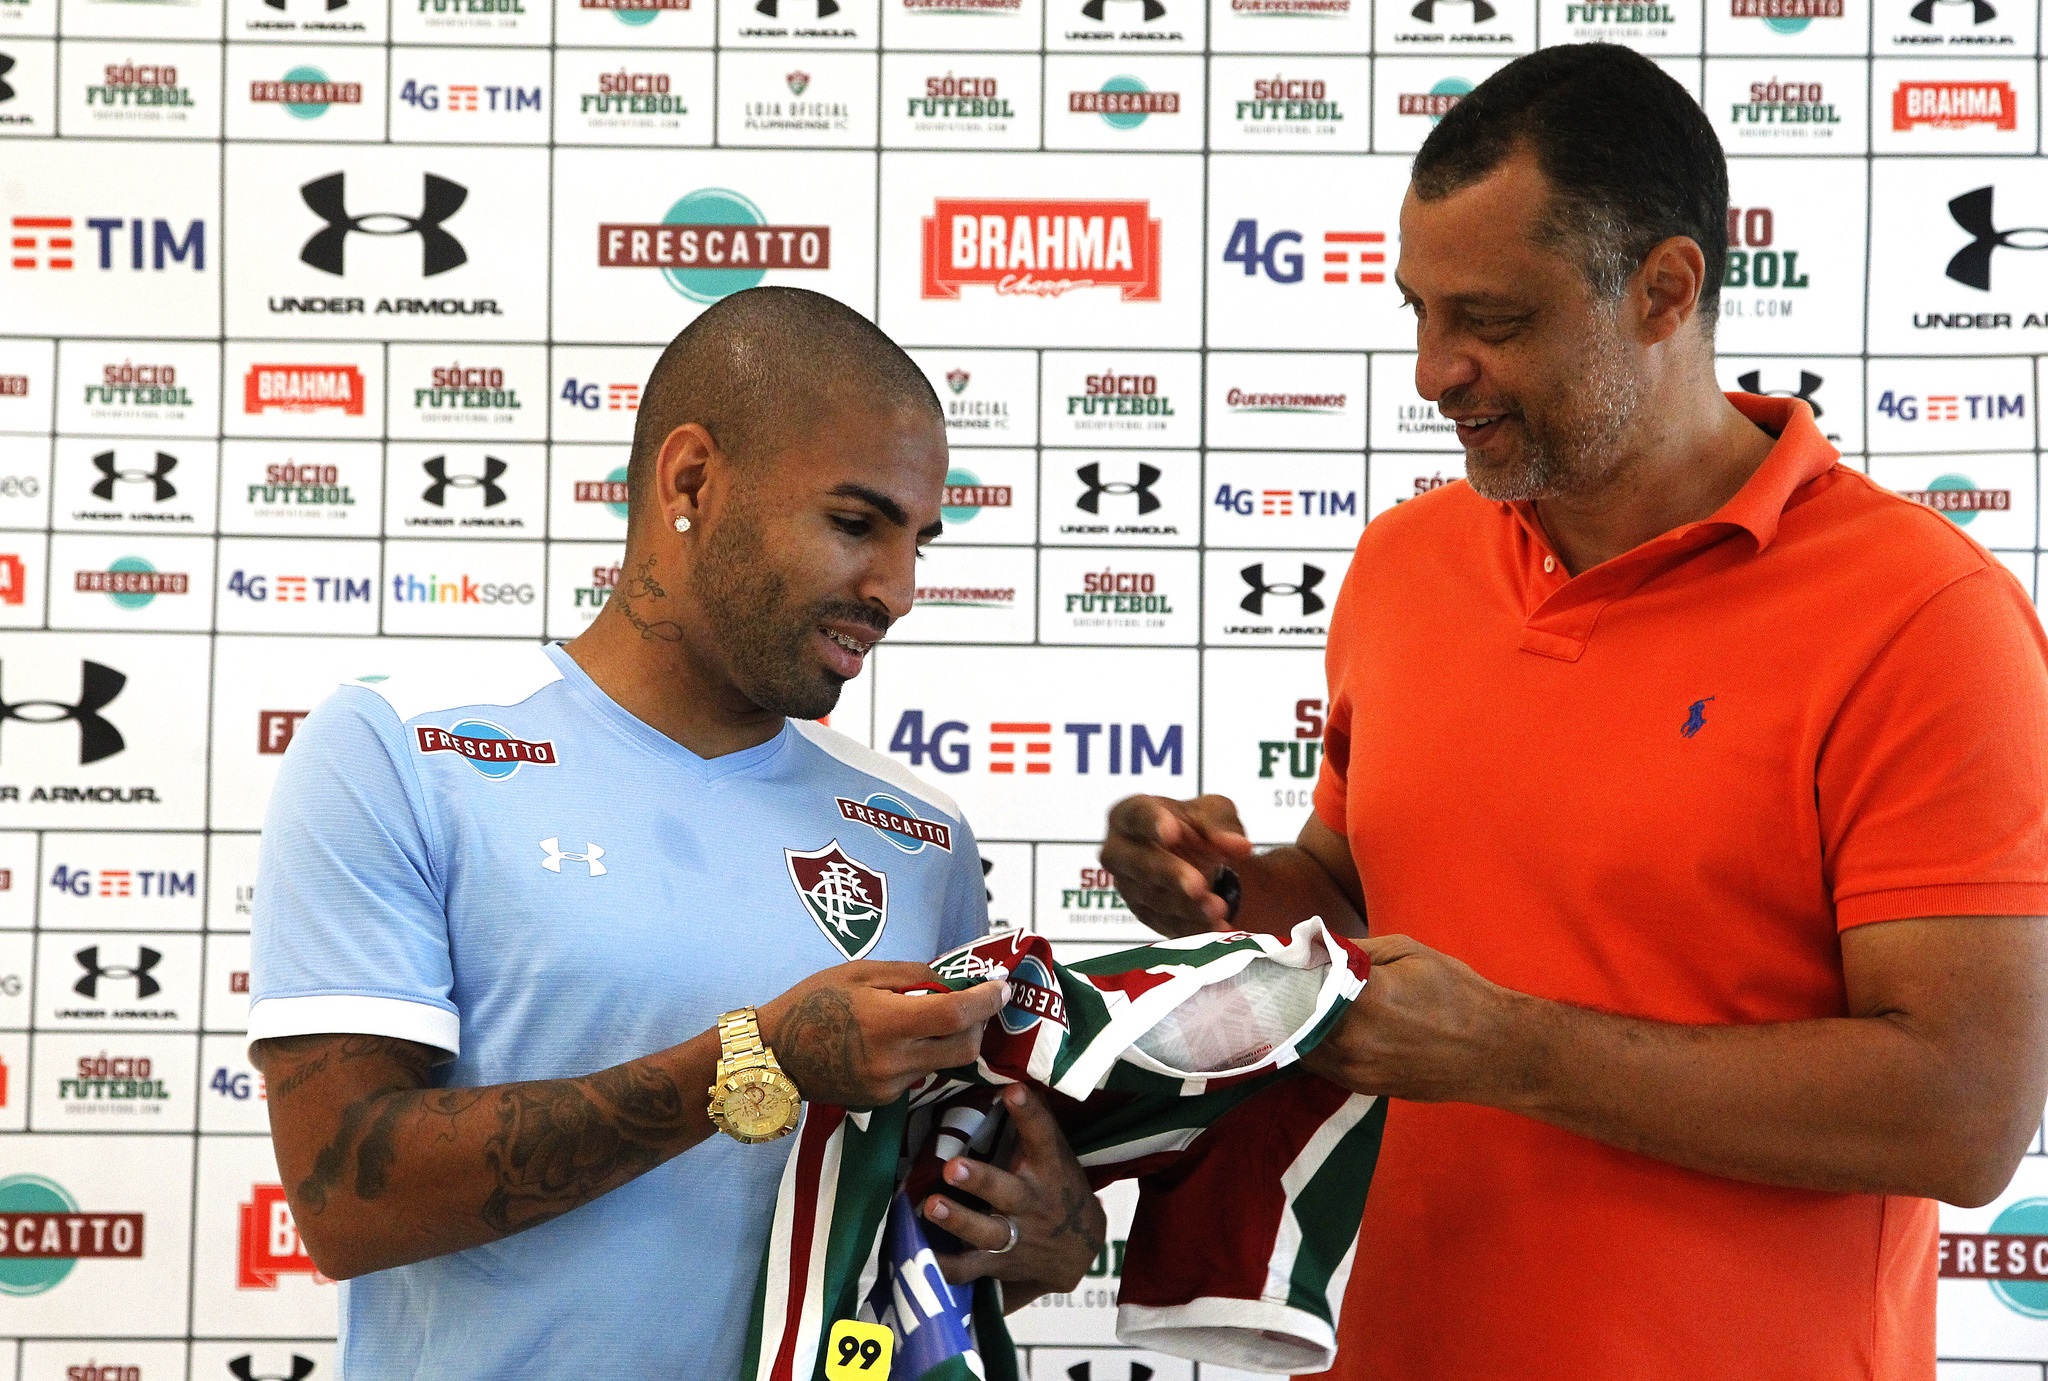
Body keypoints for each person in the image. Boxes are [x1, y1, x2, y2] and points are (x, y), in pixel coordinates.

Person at [1098, 43, 2048, 1381]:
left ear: (1665, 290)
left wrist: (1514, 1052)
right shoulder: (1404, 561)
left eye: (1491, 319)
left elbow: (1962, 1112)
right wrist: (1223, 886)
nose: (1433, 370)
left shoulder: (1924, 614)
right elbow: (1359, 903)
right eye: (1417, 311)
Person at [248, 287, 1106, 1380]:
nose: (895, 591)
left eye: (918, 545)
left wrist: (1032, 1236)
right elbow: (345, 1198)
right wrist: (755, 1060)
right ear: (691, 479)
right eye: (855, 524)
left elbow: (894, 1245)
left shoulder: (919, 833)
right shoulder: (405, 748)